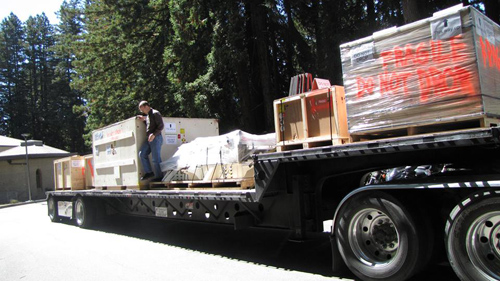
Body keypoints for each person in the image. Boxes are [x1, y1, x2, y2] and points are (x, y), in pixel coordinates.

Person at [137, 100, 164, 181]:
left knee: (156, 159)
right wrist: (144, 120)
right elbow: (150, 125)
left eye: (142, 109)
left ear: (146, 106)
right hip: (149, 138)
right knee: (142, 153)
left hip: (156, 137)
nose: (142, 111)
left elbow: (161, 126)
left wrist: (154, 134)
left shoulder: (155, 113)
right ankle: (149, 172)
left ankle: (159, 177)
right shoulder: (148, 115)